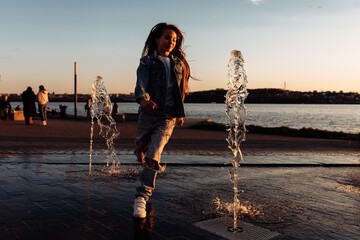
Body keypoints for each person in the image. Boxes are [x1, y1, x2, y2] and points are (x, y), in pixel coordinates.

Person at [132, 23, 191, 218]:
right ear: (157, 39)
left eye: (174, 40)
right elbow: (141, 83)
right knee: (142, 151)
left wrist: (180, 114)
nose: (171, 42)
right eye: (167, 38)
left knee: (153, 154)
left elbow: (180, 91)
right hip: (148, 115)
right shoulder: (147, 61)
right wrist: (143, 99)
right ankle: (145, 156)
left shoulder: (178, 64)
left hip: (168, 118)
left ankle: (142, 197)